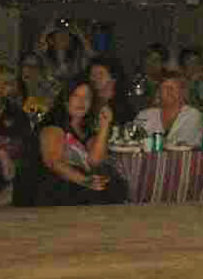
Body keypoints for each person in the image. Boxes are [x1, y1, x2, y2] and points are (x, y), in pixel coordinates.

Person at [13, 77, 127, 206]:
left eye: (87, 97)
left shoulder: (85, 129)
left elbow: (95, 161)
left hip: (72, 182)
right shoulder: (53, 125)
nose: (81, 102)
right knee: (94, 193)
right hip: (44, 184)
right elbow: (53, 162)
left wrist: (105, 125)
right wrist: (85, 181)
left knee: (114, 186)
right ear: (66, 100)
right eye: (76, 96)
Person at [134, 70, 203, 146]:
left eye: (173, 88)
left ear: (182, 92)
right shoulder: (145, 115)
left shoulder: (192, 115)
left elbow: (183, 143)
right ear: (159, 93)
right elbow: (134, 141)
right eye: (165, 88)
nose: (169, 92)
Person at [0, 63, 32, 202]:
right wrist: (1, 153)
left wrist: (6, 154)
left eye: (5, 83)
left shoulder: (17, 114)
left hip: (9, 174)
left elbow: (24, 146)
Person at [36, 18, 94, 83]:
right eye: (59, 35)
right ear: (51, 40)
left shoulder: (78, 57)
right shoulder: (46, 57)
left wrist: (78, 32)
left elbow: (91, 54)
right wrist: (50, 26)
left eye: (67, 35)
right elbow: (39, 47)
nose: (63, 37)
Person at [86, 56, 137, 128]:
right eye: (93, 74)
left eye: (100, 74)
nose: (96, 78)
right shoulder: (87, 102)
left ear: (113, 77)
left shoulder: (124, 106)